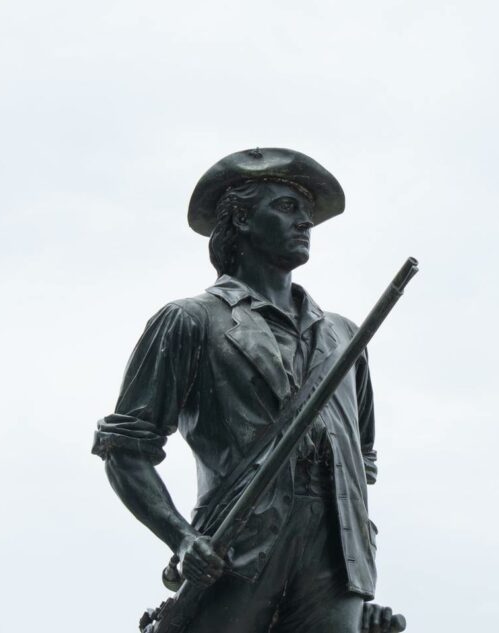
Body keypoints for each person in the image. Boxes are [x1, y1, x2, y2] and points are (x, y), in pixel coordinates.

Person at [93, 148, 399, 632]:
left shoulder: (345, 336)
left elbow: (362, 463)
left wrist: (358, 587)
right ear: (240, 219)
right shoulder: (190, 320)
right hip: (236, 550)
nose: (305, 223)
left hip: (336, 560)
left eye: (306, 211)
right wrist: (182, 539)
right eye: (286, 207)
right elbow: (126, 449)